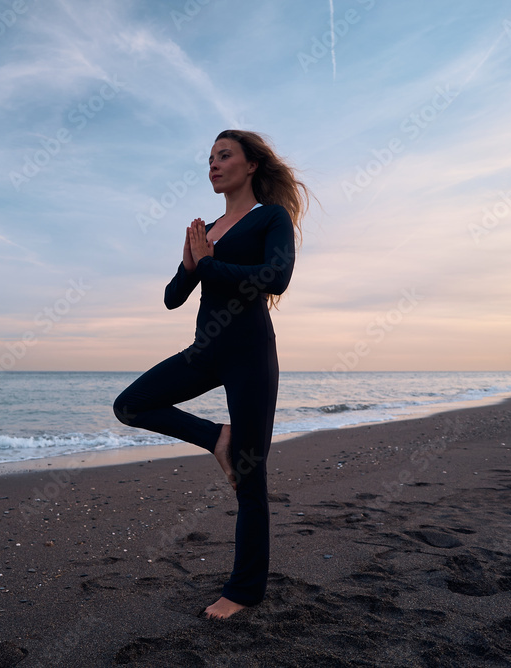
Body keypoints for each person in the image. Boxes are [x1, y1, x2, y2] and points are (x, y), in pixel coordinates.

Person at [113, 129, 310, 620]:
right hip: (205, 350)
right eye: (210, 158)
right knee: (131, 404)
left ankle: (244, 590)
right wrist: (190, 265)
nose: (214, 165)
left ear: (251, 166)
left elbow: (276, 277)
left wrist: (209, 264)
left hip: (249, 353)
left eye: (225, 156)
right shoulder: (212, 227)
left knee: (250, 478)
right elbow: (173, 297)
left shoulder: (271, 217)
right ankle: (216, 438)